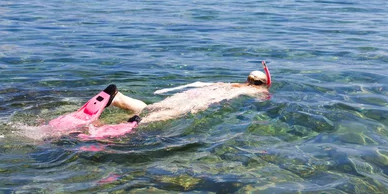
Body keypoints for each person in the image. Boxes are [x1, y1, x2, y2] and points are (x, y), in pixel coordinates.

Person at [44, 62, 271, 139]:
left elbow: (197, 84)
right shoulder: (254, 92)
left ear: (247, 78)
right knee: (156, 117)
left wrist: (168, 89)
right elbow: (261, 99)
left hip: (182, 96)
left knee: (152, 107)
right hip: (191, 104)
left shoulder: (225, 83)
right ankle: (129, 124)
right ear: (261, 84)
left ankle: (118, 98)